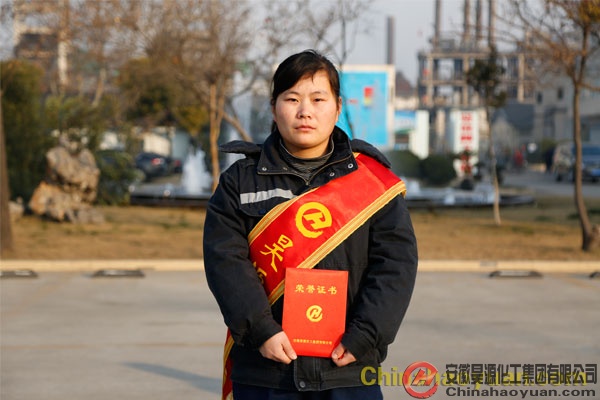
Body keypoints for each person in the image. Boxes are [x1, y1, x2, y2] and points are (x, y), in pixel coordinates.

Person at [203, 49, 418, 400]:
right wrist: (261, 331)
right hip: (265, 370)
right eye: (292, 99)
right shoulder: (239, 182)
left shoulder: (373, 182)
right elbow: (224, 262)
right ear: (274, 107)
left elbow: (396, 265)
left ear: (338, 107)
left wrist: (365, 336)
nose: (305, 111)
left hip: (348, 368)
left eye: (318, 99)